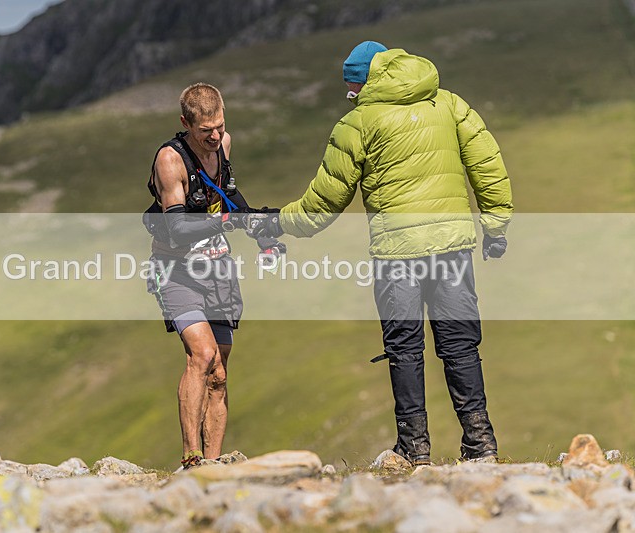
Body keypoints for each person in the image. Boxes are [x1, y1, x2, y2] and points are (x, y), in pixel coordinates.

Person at [252, 42, 513, 464]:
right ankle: (480, 444)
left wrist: (277, 222)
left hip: (397, 254)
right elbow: (487, 165)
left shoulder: (357, 124)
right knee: (460, 345)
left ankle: (414, 448)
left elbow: (323, 203)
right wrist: (496, 227)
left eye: (350, 84)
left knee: (405, 349)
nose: (349, 93)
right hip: (452, 247)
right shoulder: (448, 104)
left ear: (364, 80)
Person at [143, 83, 282, 469]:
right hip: (177, 272)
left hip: (218, 269)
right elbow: (177, 230)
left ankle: (213, 465)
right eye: (206, 131)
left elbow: (230, 195)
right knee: (201, 356)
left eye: (220, 126)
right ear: (186, 123)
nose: (215, 137)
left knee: (219, 374)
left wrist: (261, 232)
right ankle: (191, 458)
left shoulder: (223, 145)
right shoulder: (170, 161)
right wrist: (226, 220)